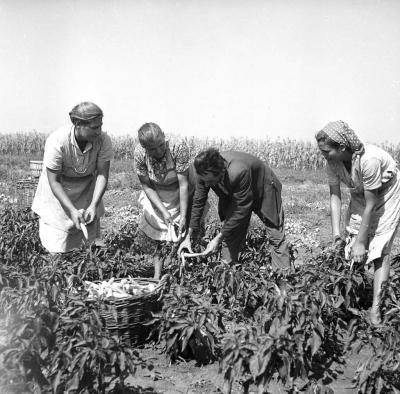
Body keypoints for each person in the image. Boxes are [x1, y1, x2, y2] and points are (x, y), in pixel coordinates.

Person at [316, 120, 400, 325]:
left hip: (385, 195)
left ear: (342, 148)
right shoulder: (333, 163)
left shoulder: (369, 160)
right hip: (361, 194)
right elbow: (335, 196)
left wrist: (363, 242)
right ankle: (351, 299)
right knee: (350, 244)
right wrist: (337, 235)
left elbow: (371, 205)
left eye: (326, 151)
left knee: (379, 249)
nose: (323, 155)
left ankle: (375, 310)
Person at [178, 148, 291, 271]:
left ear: (221, 172)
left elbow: (240, 210)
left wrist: (217, 239)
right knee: (231, 233)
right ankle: (228, 274)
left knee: (275, 234)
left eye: (210, 181)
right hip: (236, 192)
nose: (207, 185)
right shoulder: (202, 172)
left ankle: (282, 278)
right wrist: (188, 235)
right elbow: (199, 202)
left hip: (263, 188)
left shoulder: (238, 171)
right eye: (204, 181)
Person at [32, 102, 113, 253]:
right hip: (58, 195)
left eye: (100, 126)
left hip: (86, 192)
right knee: (58, 246)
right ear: (77, 124)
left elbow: (102, 174)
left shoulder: (103, 140)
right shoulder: (57, 141)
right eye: (94, 127)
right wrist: (71, 210)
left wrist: (94, 205)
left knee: (86, 245)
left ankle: (80, 276)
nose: (99, 131)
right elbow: (54, 181)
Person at [134, 122, 196, 279]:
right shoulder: (139, 154)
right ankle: (157, 276)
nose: (159, 151)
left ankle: (181, 273)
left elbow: (183, 185)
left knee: (183, 232)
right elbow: (147, 186)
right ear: (145, 148)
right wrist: (163, 211)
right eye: (153, 149)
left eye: (161, 145)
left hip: (179, 191)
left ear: (164, 136)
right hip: (156, 193)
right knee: (157, 236)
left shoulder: (178, 147)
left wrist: (183, 215)